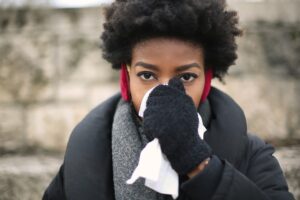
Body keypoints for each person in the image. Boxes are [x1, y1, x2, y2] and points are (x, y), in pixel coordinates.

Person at [43, 0, 295, 199]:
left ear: (206, 79)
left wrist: (198, 163)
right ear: (127, 74)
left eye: (185, 77)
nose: (164, 92)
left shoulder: (250, 154)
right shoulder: (86, 154)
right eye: (147, 75)